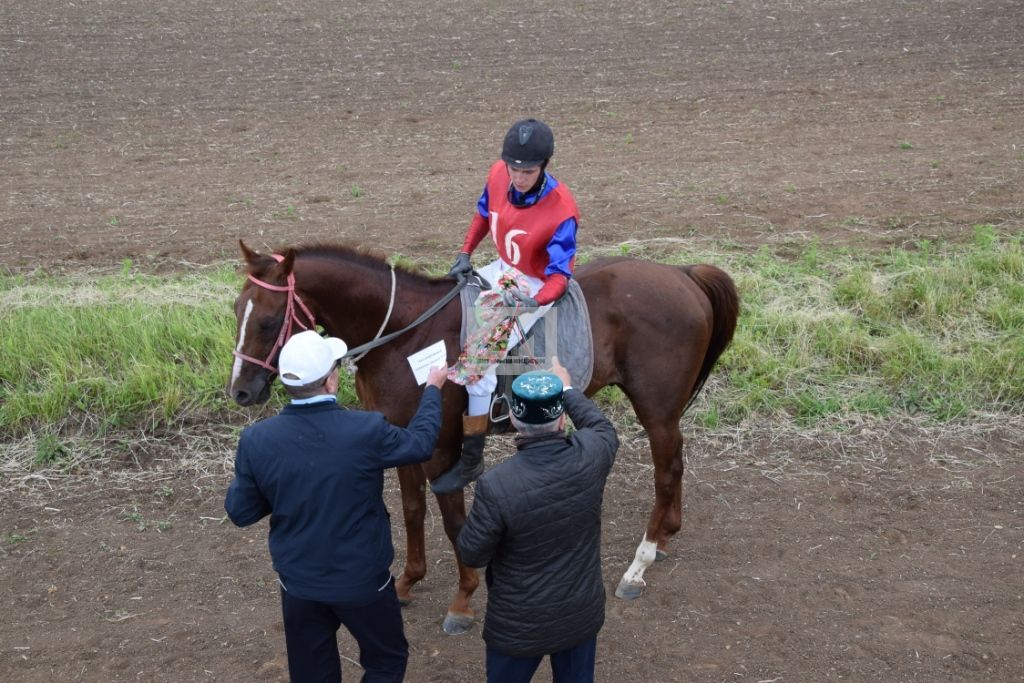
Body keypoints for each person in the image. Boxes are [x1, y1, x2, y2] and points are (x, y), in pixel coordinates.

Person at [224, 329, 448, 683]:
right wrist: (433, 389)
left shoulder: (256, 440)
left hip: (298, 583)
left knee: (312, 672)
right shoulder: (366, 429)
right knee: (386, 660)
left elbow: (241, 512)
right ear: (331, 381)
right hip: (362, 580)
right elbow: (420, 444)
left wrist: (275, 478)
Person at [432, 117, 581, 494]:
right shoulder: (499, 173)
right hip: (503, 267)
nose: (518, 176)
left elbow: (559, 277)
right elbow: (485, 213)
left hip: (534, 284)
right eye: (514, 168)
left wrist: (531, 300)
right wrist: (465, 252)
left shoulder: (562, 209)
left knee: (479, 364)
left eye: (527, 171)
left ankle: (472, 458)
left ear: (544, 166)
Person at [456, 357, 619, 683]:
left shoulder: (497, 485)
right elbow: (601, 426)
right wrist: (568, 387)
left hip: (518, 624)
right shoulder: (592, 454)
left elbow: (472, 554)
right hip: (579, 615)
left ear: (514, 419)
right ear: (561, 419)